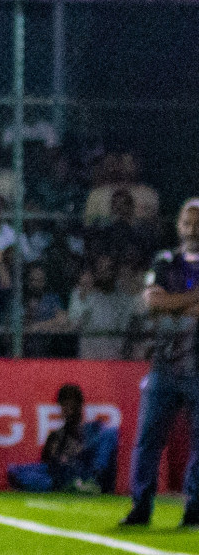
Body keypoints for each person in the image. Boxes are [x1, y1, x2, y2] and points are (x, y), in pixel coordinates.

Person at [122, 198, 199, 528]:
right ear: (178, 224)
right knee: (148, 439)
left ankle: (194, 507)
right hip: (164, 364)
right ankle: (141, 505)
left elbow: (164, 303)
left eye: (197, 221)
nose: (192, 227)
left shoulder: (168, 267)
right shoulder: (165, 259)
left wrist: (173, 304)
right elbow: (153, 303)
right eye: (187, 220)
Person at [7, 384, 119, 494]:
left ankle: (91, 484)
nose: (68, 409)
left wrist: (81, 451)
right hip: (64, 475)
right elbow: (47, 464)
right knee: (15, 471)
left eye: (72, 404)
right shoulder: (56, 435)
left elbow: (99, 457)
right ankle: (71, 487)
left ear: (80, 406)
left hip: (87, 472)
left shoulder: (95, 429)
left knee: (111, 432)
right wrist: (59, 456)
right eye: (64, 405)